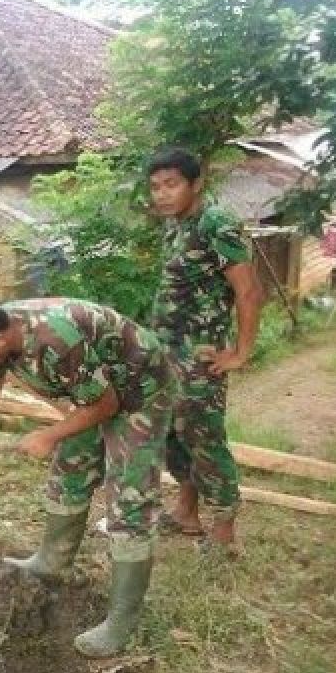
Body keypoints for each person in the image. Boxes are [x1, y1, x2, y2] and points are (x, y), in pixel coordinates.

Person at [0, 297, 173, 657]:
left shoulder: (56, 339)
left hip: (141, 389)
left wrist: (48, 435)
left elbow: (107, 406)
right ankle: (52, 562)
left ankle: (122, 621)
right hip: (94, 391)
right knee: (71, 465)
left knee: (130, 498)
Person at [147, 149, 263, 551]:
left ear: (196, 184)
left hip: (199, 358)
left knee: (204, 439)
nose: (161, 194)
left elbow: (247, 291)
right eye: (156, 187)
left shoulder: (217, 223)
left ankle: (225, 530)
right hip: (166, 354)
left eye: (171, 184)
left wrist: (241, 351)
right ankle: (186, 512)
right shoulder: (177, 225)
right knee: (171, 436)